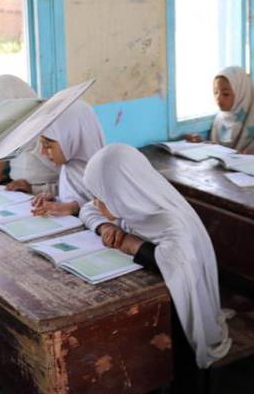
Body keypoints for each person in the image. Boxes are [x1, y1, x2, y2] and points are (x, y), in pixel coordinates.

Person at [85, 143, 231, 388]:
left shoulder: (169, 220)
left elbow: (179, 264)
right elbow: (88, 210)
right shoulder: (131, 203)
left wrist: (133, 245)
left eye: (101, 197)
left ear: (121, 192)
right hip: (160, 295)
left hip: (183, 309)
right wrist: (105, 226)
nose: (95, 202)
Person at [7, 100, 105, 218]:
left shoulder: (104, 173)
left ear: (70, 138)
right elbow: (74, 195)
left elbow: (113, 212)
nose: (42, 152)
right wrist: (54, 198)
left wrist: (73, 207)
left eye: (47, 146)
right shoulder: (69, 167)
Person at [0, 74, 58, 186]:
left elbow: (62, 170)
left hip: (44, 189)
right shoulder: (12, 128)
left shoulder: (47, 128)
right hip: (16, 188)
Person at [210, 66, 254, 155]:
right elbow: (216, 151)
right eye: (215, 92)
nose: (218, 98)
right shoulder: (219, 119)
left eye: (225, 94)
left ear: (241, 93)